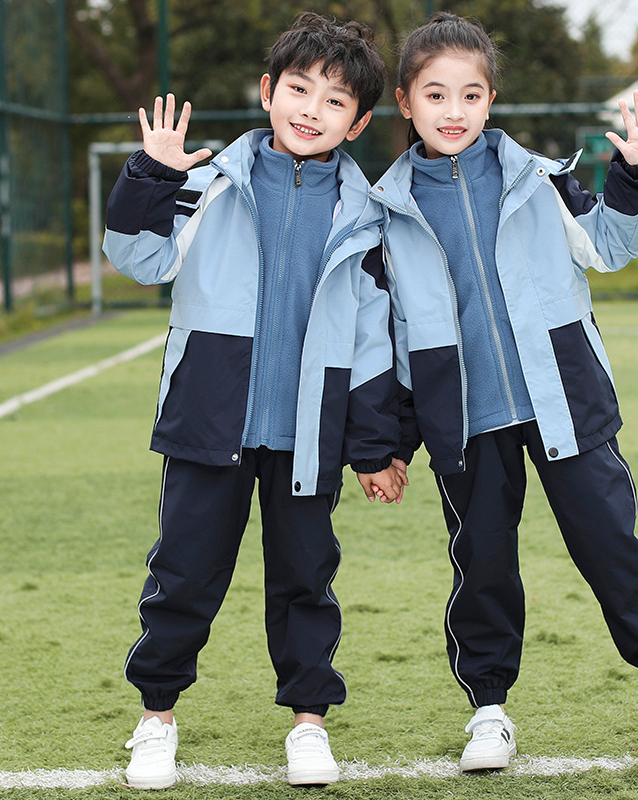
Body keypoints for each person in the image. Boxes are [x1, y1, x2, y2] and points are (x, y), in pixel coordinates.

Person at [371, 12, 638, 772]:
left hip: (566, 404)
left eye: (471, 95)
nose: (453, 112)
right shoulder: (383, 212)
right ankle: (490, 713)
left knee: (611, 548)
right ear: (404, 101)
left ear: (490, 101)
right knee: (482, 565)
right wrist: (388, 445)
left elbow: (610, 245)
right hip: (464, 421)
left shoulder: (543, 179)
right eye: (435, 95)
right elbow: (387, 340)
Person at [103, 13, 403, 789]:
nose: (311, 109)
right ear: (268, 91)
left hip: (309, 435)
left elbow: (374, 342)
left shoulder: (368, 214)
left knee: (306, 579)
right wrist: (152, 173)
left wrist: (375, 446)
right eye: (298, 89)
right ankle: (156, 719)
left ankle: (308, 725)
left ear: (360, 121)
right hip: (209, 422)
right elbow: (136, 259)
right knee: (185, 576)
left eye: (334, 102)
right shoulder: (205, 184)